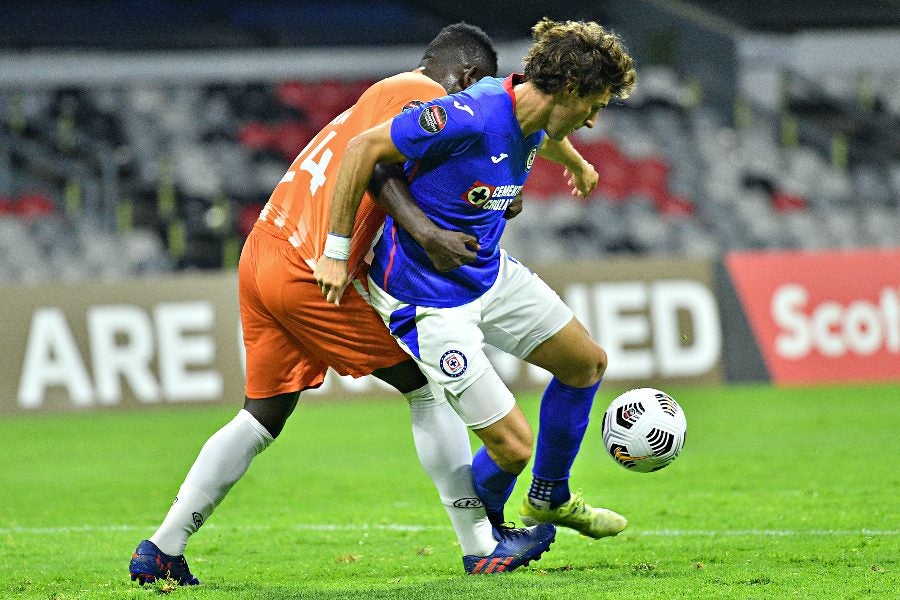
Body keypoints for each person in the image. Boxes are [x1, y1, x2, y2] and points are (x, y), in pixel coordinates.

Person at [129, 23, 555, 586]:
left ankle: (162, 547)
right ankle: (479, 544)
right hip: (309, 267)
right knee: (427, 388)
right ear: (467, 77)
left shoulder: (375, 99)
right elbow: (378, 171)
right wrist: (417, 238)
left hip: (263, 252)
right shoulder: (423, 94)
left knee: (263, 414)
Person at [315, 18, 637, 539]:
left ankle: (549, 497)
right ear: (571, 89)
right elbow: (363, 150)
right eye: (594, 105)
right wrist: (334, 253)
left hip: (488, 274)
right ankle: (488, 536)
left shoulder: (531, 109)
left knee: (587, 363)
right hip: (427, 300)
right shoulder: (467, 115)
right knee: (512, 448)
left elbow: (536, 131)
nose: (595, 121)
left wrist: (574, 160)